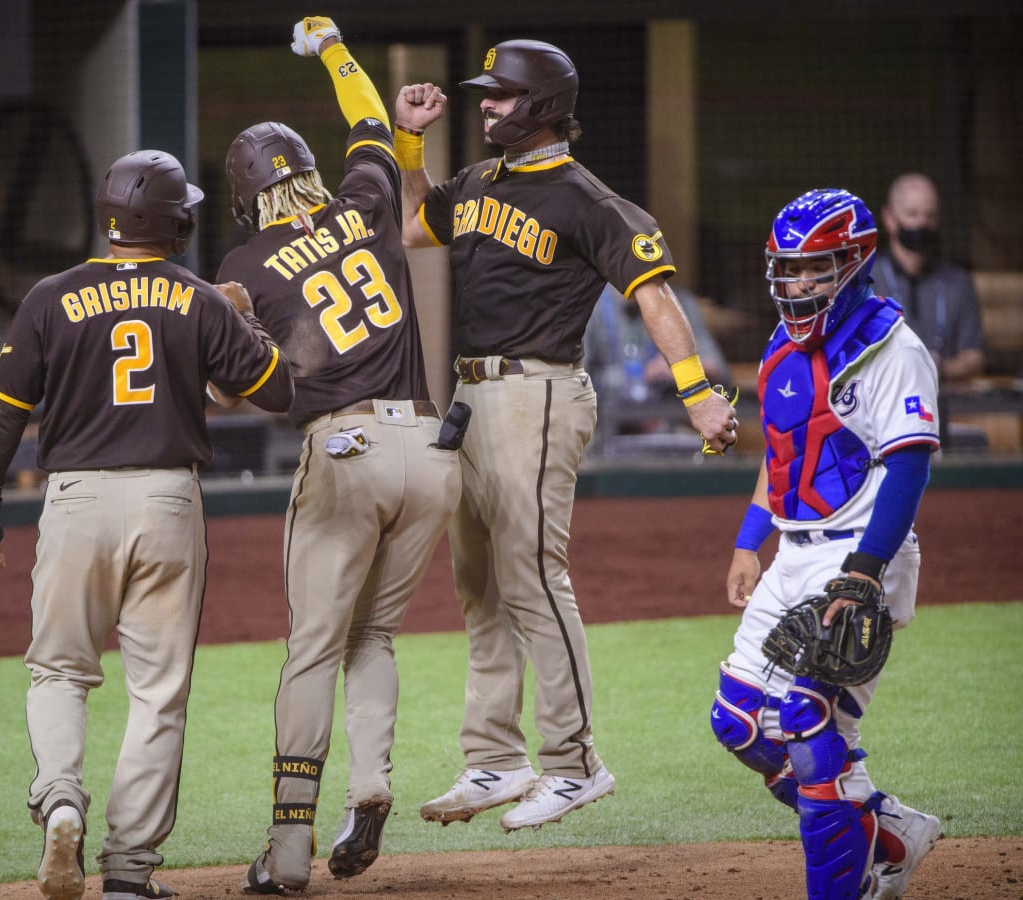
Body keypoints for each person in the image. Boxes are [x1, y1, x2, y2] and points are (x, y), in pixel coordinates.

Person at [394, 39, 738, 832]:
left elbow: (653, 295)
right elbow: (416, 228)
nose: (484, 104)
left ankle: (575, 762)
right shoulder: (482, 179)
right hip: (473, 400)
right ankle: (493, 758)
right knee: (479, 583)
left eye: (501, 96)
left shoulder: (588, 198)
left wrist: (696, 395)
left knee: (534, 577)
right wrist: (410, 143)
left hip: (538, 393)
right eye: (486, 94)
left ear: (542, 105)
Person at [0, 149, 294, 900]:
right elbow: (277, 391)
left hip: (74, 501)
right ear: (178, 223)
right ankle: (130, 873)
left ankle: (62, 800)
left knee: (59, 671)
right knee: (158, 693)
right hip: (168, 504)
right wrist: (243, 317)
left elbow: (4, 413)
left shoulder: (50, 296)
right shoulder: (202, 299)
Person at [218, 17, 462, 895]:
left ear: (246, 195)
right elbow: (370, 120)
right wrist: (329, 43)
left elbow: (227, 375)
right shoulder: (363, 198)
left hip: (345, 446)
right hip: (432, 450)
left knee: (312, 647)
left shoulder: (244, 262)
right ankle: (370, 785)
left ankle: (288, 854)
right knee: (375, 634)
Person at [710, 188, 942, 900]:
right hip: (793, 552)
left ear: (854, 262)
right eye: (789, 268)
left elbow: (909, 464)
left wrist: (863, 574)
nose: (798, 283)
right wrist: (750, 542)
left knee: (809, 724)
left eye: (816, 268)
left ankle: (846, 887)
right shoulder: (783, 343)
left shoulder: (892, 348)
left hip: (862, 555)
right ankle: (890, 833)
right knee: (741, 722)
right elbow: (782, 454)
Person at [584, 283, 731, 446]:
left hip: (666, 423)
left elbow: (717, 367)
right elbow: (579, 380)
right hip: (607, 426)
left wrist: (679, 367)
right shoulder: (591, 305)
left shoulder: (677, 303)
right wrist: (637, 376)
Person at [872, 172, 985, 382]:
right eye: (913, 214)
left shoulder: (958, 282)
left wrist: (936, 367)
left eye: (930, 216)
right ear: (889, 218)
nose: (922, 223)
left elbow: (974, 357)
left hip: (943, 394)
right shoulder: (868, 279)